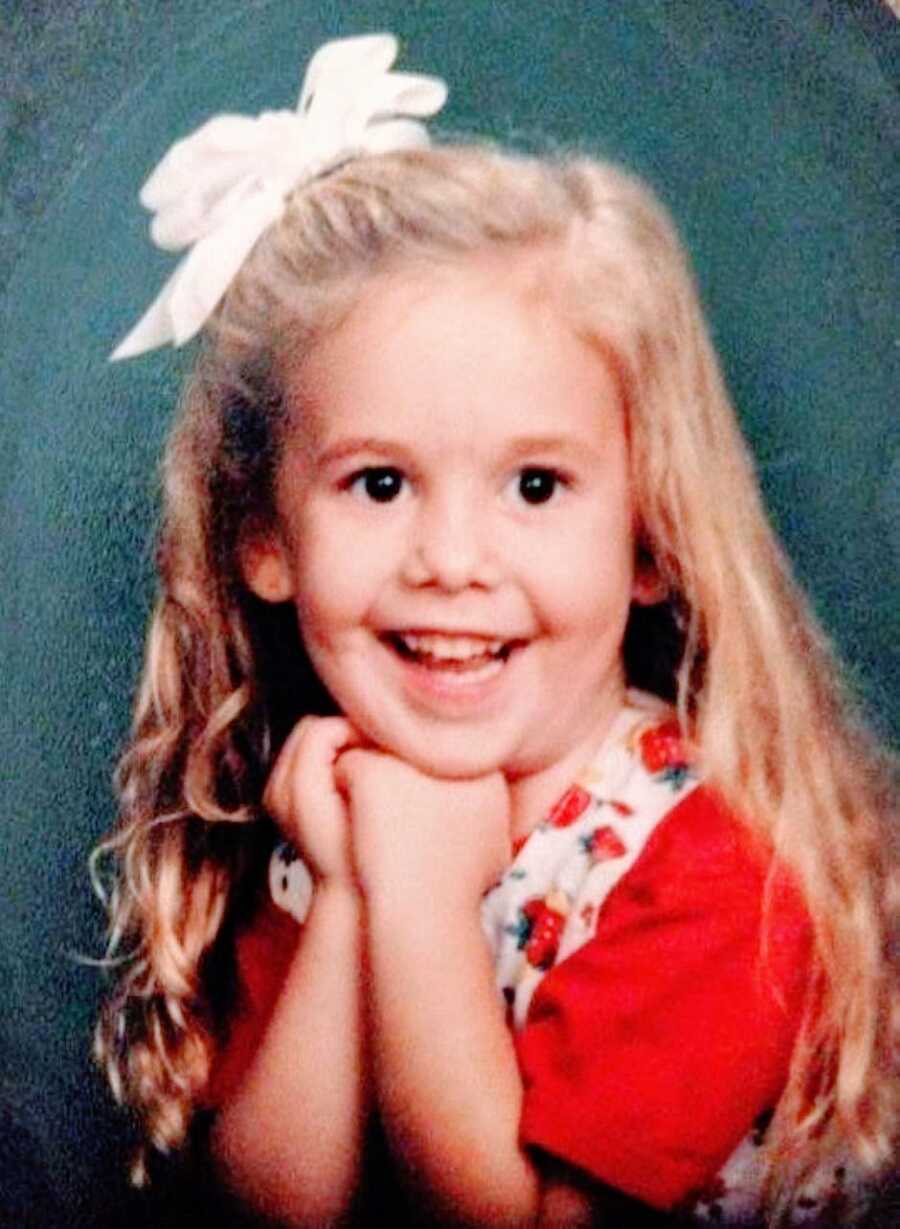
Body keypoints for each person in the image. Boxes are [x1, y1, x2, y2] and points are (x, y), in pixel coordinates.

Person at [92, 33, 896, 1228]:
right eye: (378, 483)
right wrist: (356, 894)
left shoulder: (723, 864)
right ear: (266, 536)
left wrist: (413, 882)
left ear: (650, 540)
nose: (452, 563)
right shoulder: (341, 804)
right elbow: (276, 1200)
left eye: (533, 487)